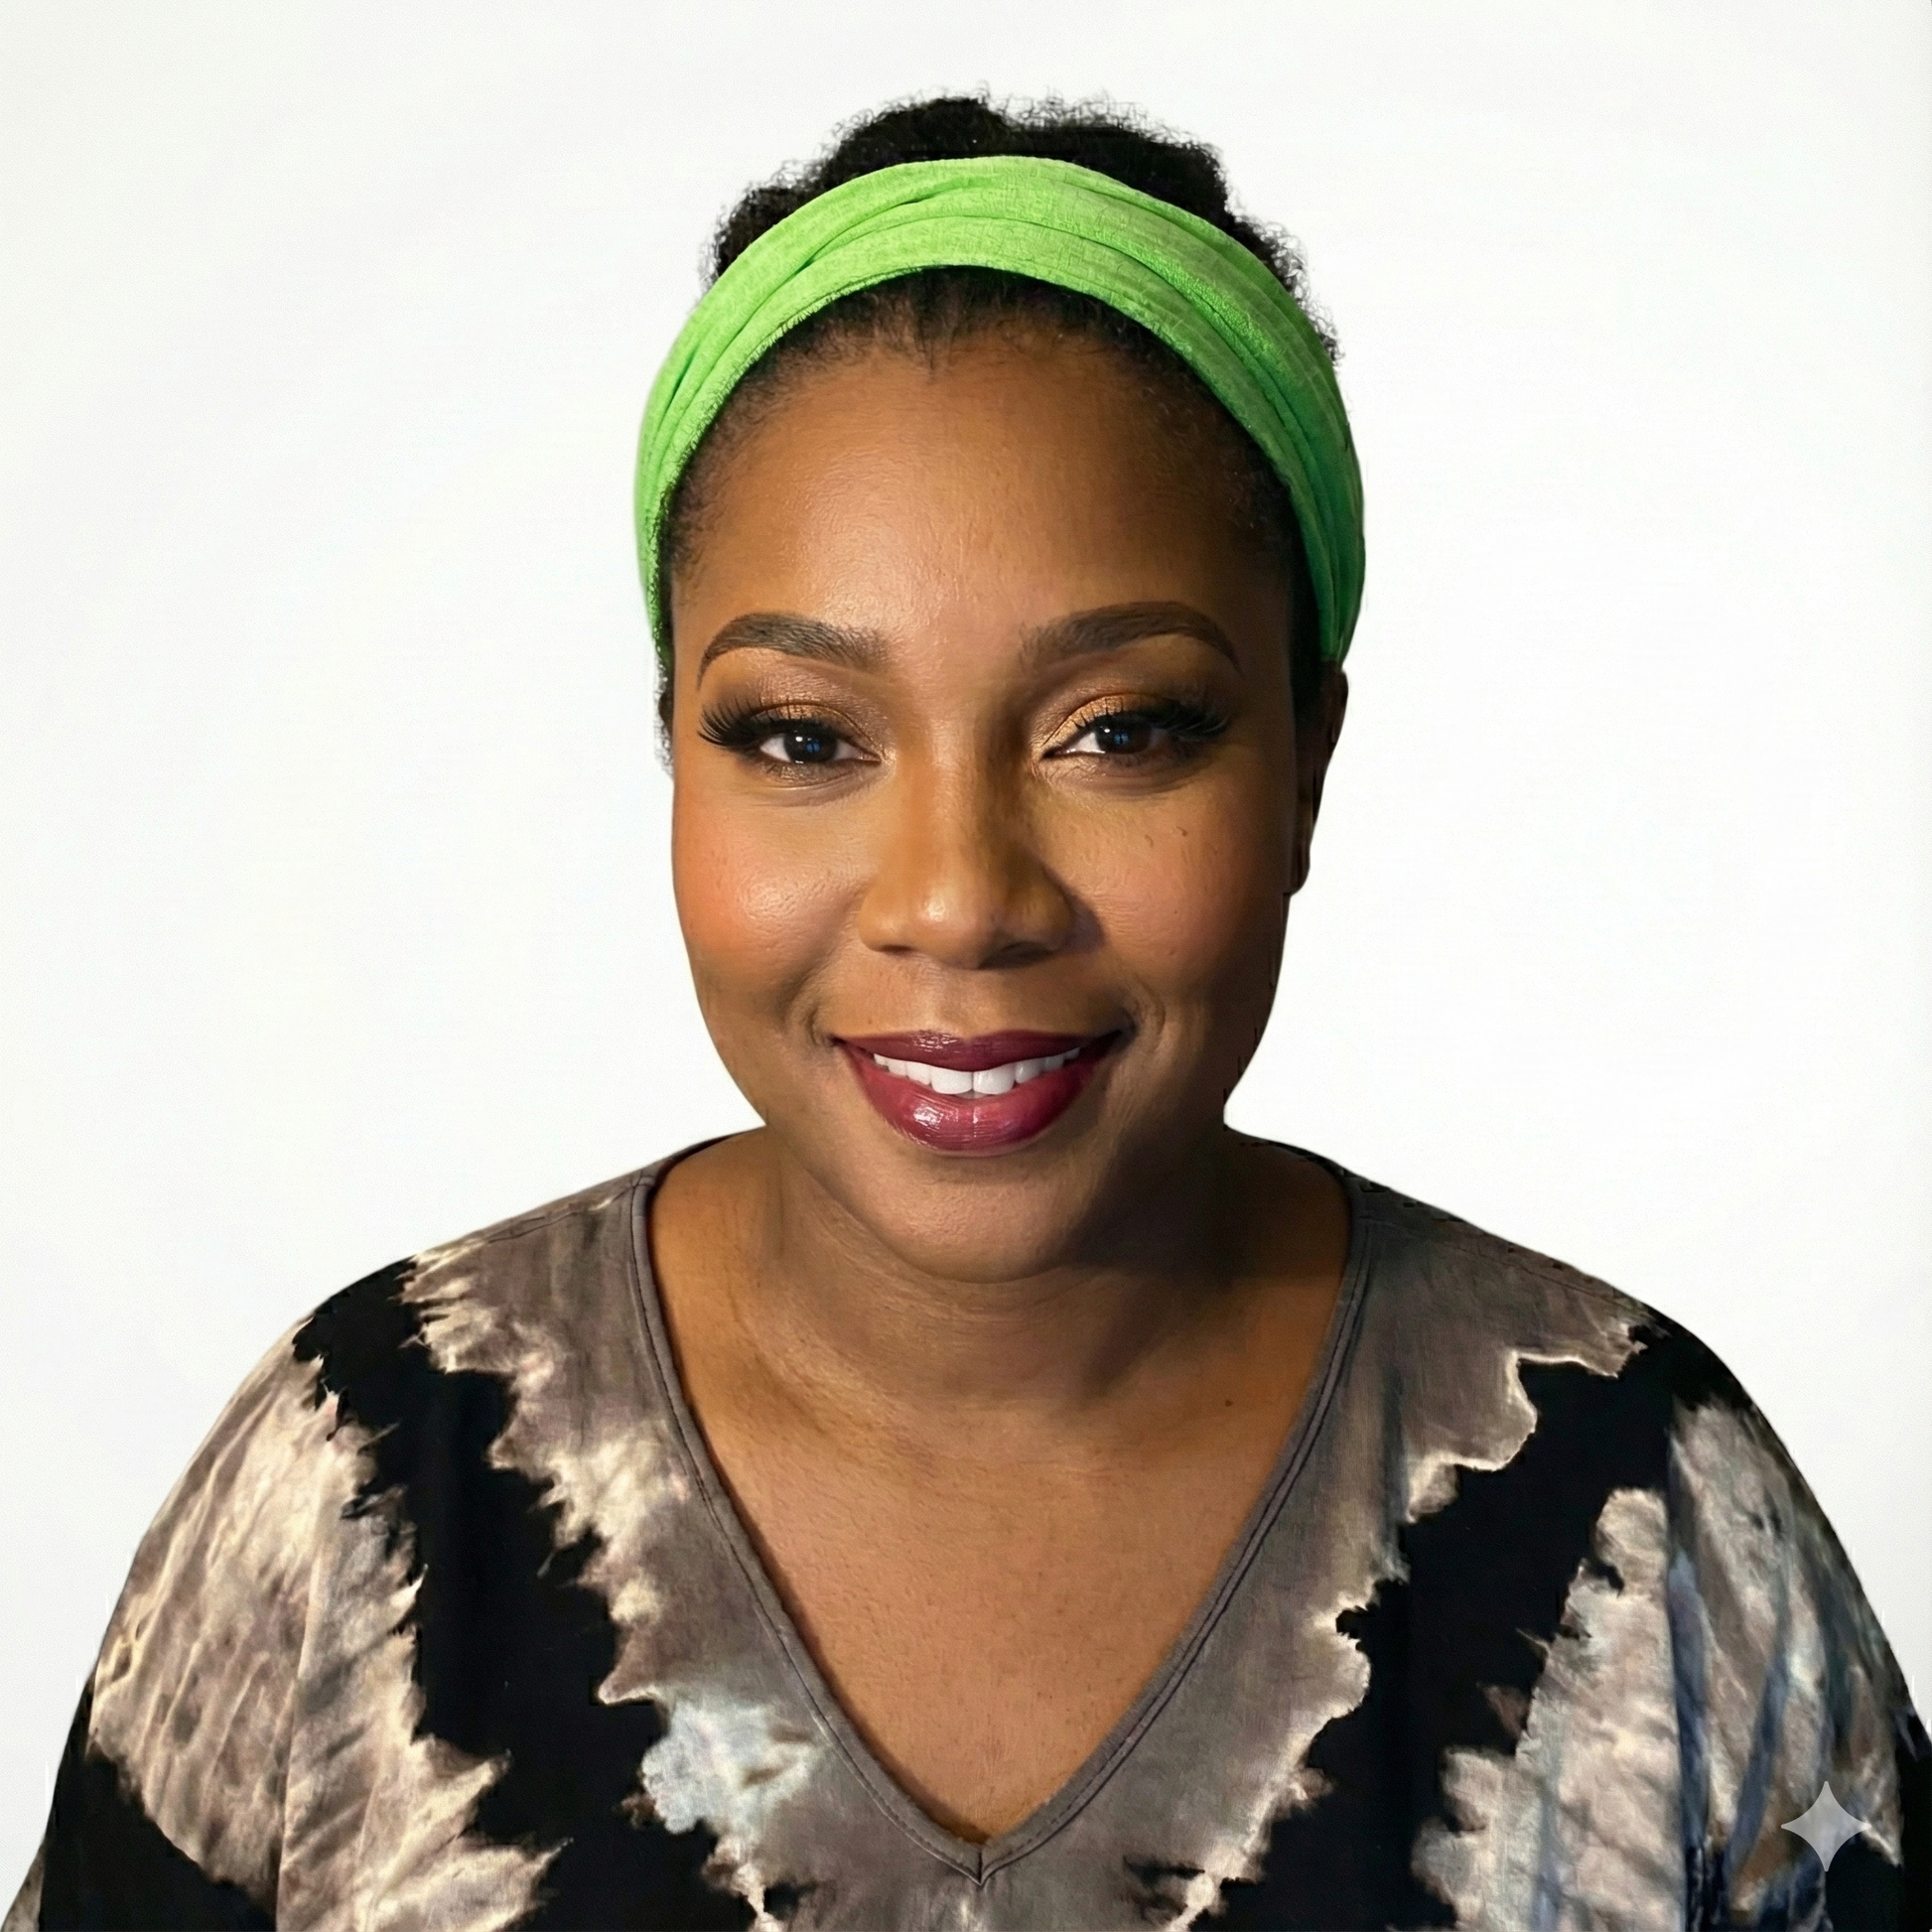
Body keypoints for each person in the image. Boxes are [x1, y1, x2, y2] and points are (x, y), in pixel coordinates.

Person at [8, 94, 1925, 1932]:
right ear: (674, 750)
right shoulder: (367, 1491)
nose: (956, 897)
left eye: (1120, 728)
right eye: (801, 736)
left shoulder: (1634, 1518)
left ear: (1306, 767)